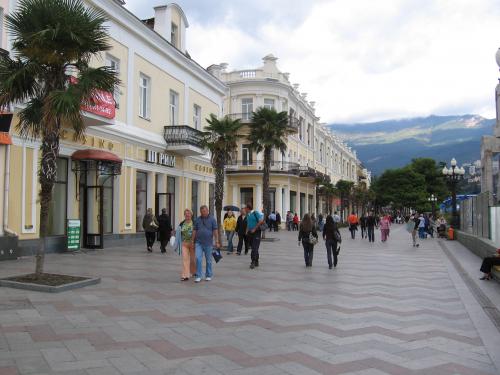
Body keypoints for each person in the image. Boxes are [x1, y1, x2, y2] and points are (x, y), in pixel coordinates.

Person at [192, 205, 220, 283]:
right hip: (198, 243)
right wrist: (192, 241)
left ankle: (208, 275)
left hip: (208, 243)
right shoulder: (197, 220)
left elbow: (215, 230)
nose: (203, 213)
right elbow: (194, 230)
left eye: (204, 211)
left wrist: (217, 241)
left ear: (207, 211)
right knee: (198, 258)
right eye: (201, 212)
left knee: (208, 260)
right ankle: (198, 275)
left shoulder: (212, 219)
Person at [173, 209, 196, 281]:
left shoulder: (194, 223)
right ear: (184, 215)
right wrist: (176, 244)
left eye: (189, 214)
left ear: (191, 215)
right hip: (184, 244)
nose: (187, 215)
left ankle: (193, 272)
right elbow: (178, 234)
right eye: (186, 214)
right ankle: (185, 275)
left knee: (193, 260)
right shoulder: (182, 223)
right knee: (185, 259)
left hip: (193, 244)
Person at [246, 202, 264, 269]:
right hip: (250, 233)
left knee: (254, 247)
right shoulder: (248, 215)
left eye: (245, 208)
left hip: (256, 232)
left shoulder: (255, 213)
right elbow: (248, 223)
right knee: (253, 247)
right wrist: (246, 231)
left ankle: (253, 261)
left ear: (248, 208)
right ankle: (256, 260)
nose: (245, 210)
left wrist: (254, 228)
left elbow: (261, 221)